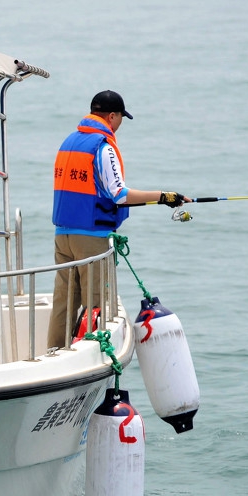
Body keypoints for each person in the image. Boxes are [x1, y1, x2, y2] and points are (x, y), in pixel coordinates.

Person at [47, 90, 189, 351]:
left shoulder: (69, 142)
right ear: (112, 116)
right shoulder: (102, 146)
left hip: (62, 235)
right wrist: (164, 196)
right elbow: (119, 195)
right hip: (91, 238)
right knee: (97, 302)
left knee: (64, 301)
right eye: (121, 117)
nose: (120, 123)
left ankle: (54, 352)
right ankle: (88, 356)